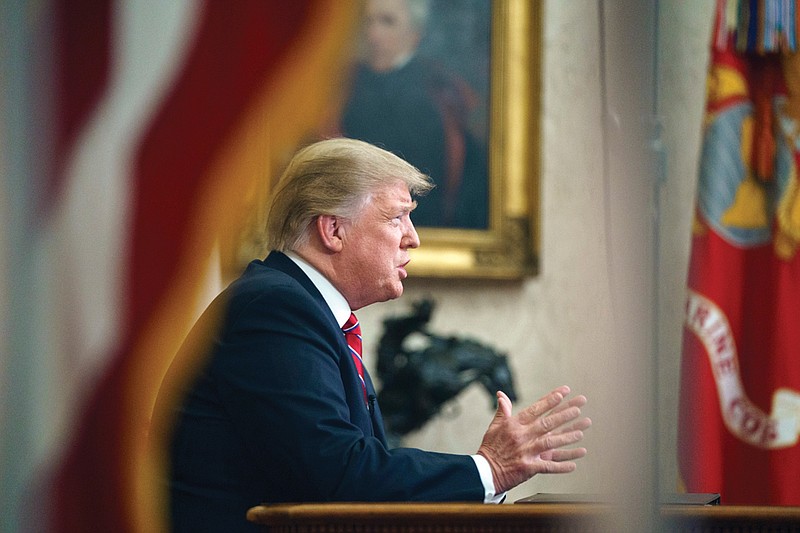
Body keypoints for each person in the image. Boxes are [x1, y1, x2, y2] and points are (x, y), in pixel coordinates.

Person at [157, 138, 590, 532]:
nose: (413, 239)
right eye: (397, 217)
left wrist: (487, 472)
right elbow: (336, 473)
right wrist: (488, 469)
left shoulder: (305, 309)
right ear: (333, 230)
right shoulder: (276, 309)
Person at [339, 0, 489, 229]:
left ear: (414, 34)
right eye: (368, 21)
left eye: (387, 22)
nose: (373, 34)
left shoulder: (440, 93)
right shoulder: (340, 87)